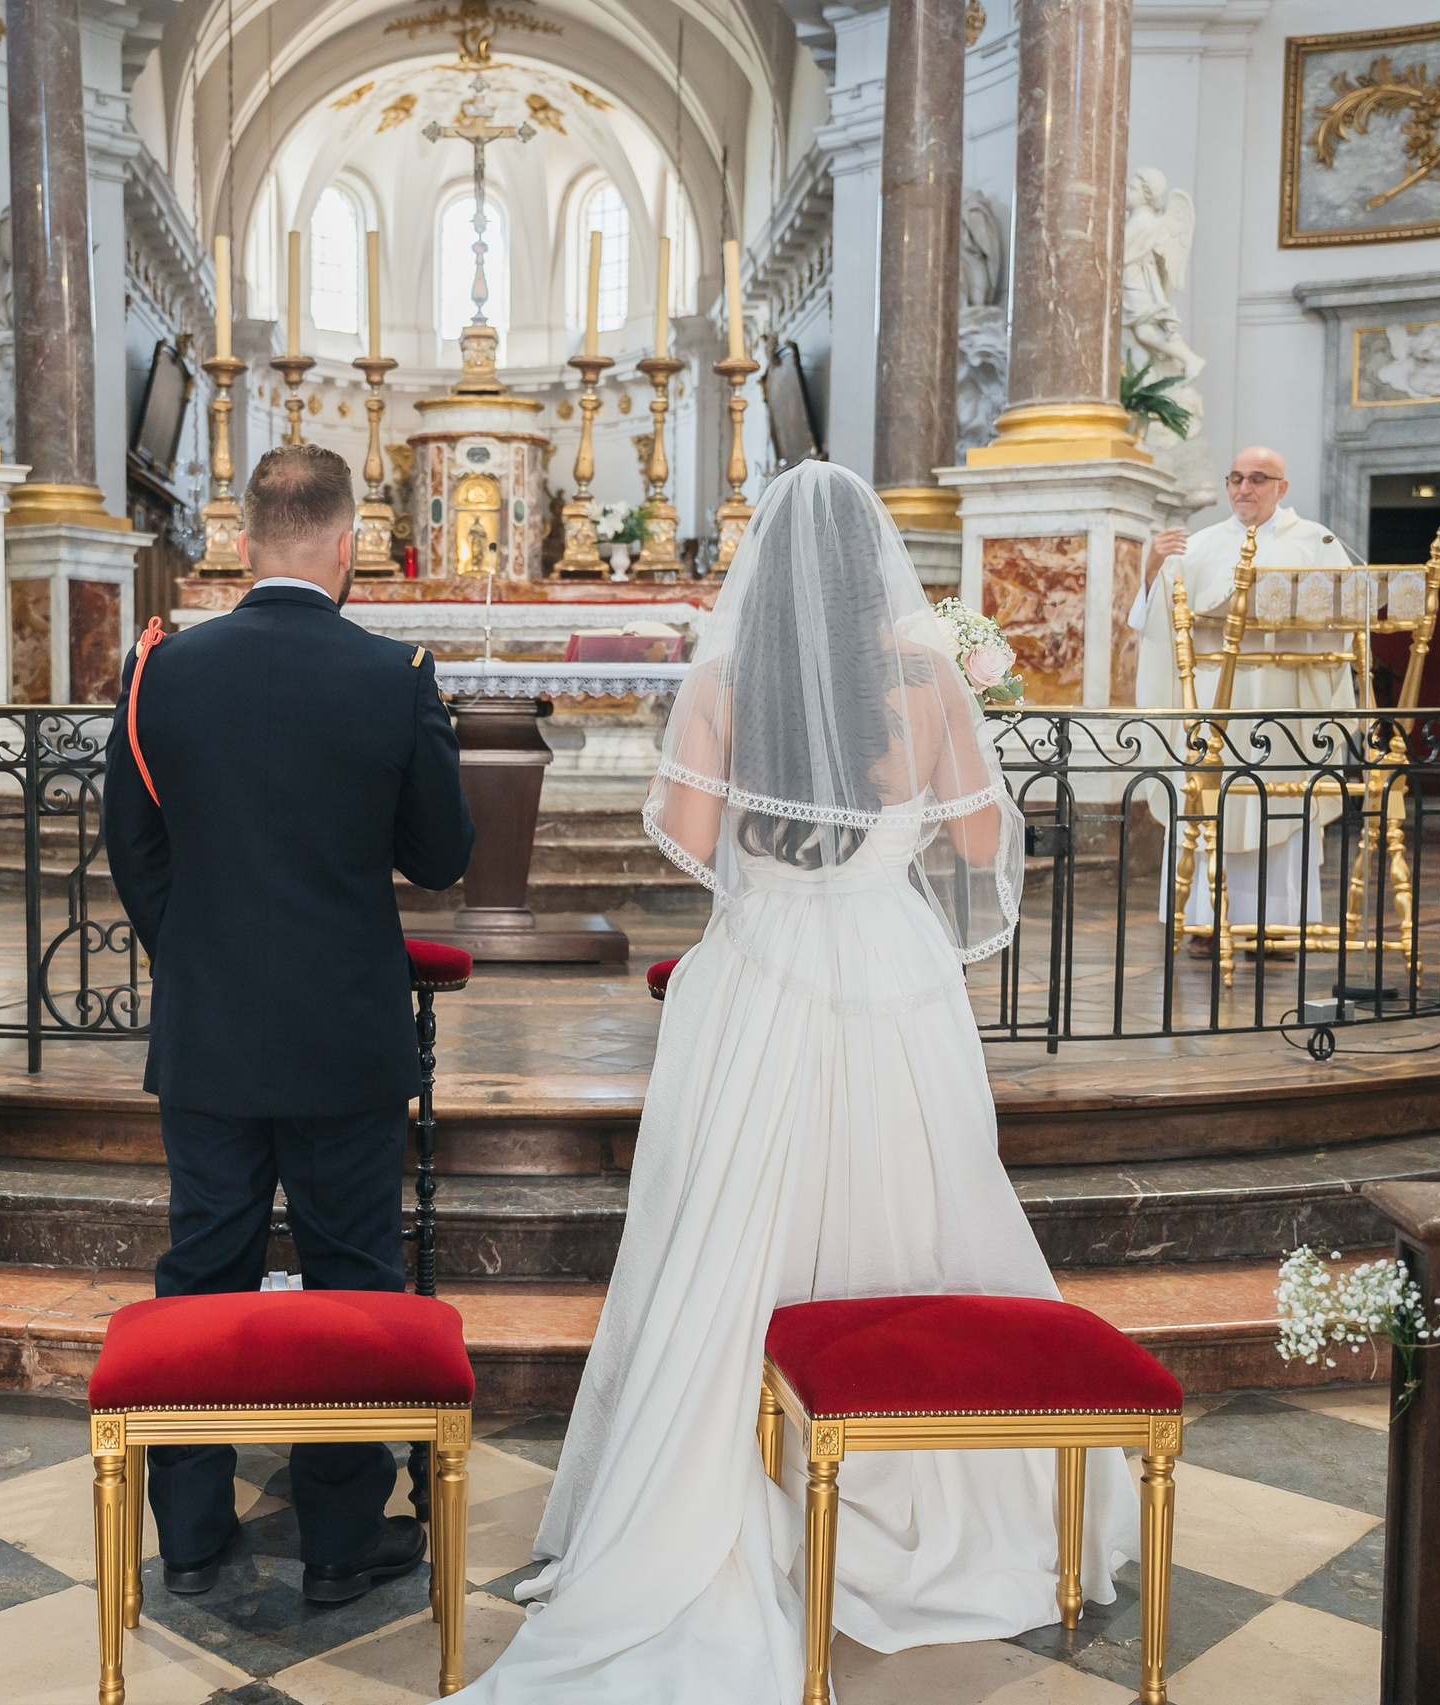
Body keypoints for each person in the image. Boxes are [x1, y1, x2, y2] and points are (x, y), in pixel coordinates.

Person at [451, 461, 1136, 1702]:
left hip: (762, 976)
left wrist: (777, 875)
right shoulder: (923, 677)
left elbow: (690, 836)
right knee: (908, 1202)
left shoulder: (723, 677)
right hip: (889, 968)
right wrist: (926, 781)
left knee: (737, 1226)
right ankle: (915, 1471)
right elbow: (985, 844)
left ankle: (729, 1487)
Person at [103, 444, 476, 1606]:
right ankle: (335, 1544)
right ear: (345, 542)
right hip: (346, 1031)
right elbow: (441, 854)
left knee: (201, 1274)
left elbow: (133, 845)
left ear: (249, 538)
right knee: (353, 1281)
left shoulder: (162, 669)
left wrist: (202, 954)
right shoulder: (391, 672)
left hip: (211, 1032)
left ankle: (197, 1538)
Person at [1131, 445, 1358, 934]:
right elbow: (1154, 624)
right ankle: (1206, 924)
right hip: (1215, 708)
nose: (1244, 488)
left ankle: (1276, 926)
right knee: (1212, 803)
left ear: (1282, 487)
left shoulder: (1317, 543)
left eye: (1258, 478)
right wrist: (1152, 567)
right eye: (1235, 478)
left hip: (1284, 704)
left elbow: (1347, 623)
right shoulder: (1199, 546)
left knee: (1279, 802)